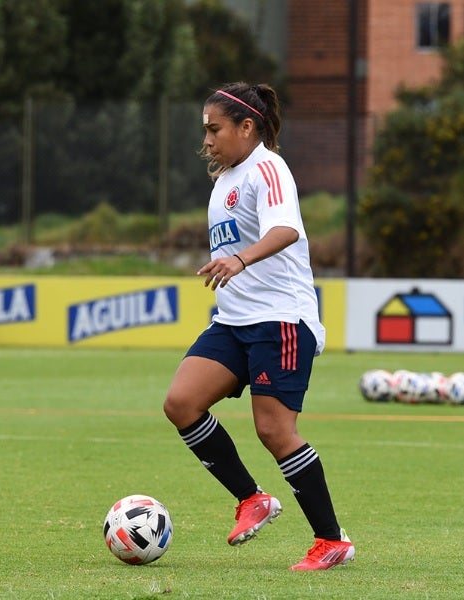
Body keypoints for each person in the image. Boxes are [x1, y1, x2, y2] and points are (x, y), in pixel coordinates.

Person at [162, 82, 354, 571]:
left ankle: (331, 540)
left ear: (247, 127)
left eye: (214, 129)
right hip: (234, 321)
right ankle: (253, 499)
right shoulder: (225, 176)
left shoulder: (267, 167)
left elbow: (286, 229)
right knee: (181, 402)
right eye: (204, 129)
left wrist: (240, 260)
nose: (206, 139)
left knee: (274, 431)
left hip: (280, 320)